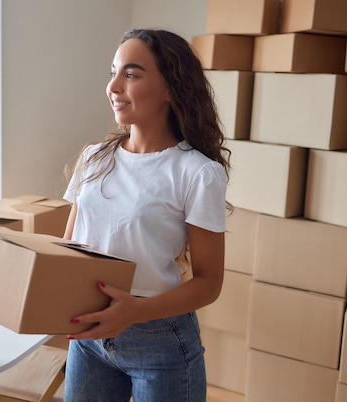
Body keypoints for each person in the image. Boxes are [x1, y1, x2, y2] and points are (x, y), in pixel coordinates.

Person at [62, 28, 231, 402]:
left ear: (171, 88)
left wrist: (135, 311)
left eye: (132, 74)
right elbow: (67, 250)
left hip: (160, 343)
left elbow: (209, 282)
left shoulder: (197, 173)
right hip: (90, 339)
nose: (114, 86)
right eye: (113, 72)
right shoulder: (94, 158)